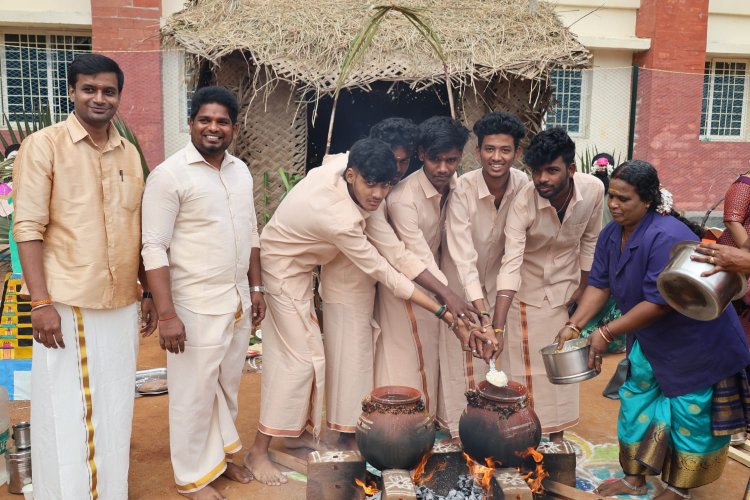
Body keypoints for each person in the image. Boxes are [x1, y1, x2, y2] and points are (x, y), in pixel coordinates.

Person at [244, 138, 491, 485]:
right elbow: (385, 272)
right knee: (301, 359)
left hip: (310, 258)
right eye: (370, 184)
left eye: (386, 185)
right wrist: (445, 313)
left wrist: (448, 294)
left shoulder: (352, 171)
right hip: (281, 265)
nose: (378, 194)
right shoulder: (338, 219)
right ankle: (258, 451)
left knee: (311, 356)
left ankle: (296, 430)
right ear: (350, 176)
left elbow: (397, 252)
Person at [557, 160, 750, 499]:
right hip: (649, 339)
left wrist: (604, 333)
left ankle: (678, 488)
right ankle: (634, 477)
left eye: (624, 199)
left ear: (647, 200)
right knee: (636, 402)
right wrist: (574, 324)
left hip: (696, 342)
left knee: (690, 413)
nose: (614, 205)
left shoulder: (667, 236)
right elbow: (600, 284)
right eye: (611, 197)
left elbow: (659, 302)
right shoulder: (610, 234)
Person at [12, 53, 157, 500]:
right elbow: (27, 228)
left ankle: (108, 491)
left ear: (118, 97)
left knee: (114, 408)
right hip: (67, 304)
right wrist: (40, 303)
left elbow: (136, 229)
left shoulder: (129, 153)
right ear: (71, 91)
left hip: (120, 303)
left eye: (108, 91)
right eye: (89, 89)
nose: (99, 98)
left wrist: (147, 291)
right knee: (71, 410)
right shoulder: (45, 145)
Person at [319, 118, 473, 449]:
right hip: (361, 280)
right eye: (391, 159)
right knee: (362, 357)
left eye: (403, 161)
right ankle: (357, 433)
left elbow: (407, 255)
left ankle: (403, 427)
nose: (396, 168)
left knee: (393, 355)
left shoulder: (398, 188)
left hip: (401, 279)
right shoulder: (367, 186)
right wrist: (447, 296)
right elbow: (397, 253)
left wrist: (449, 297)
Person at [141, 86, 259, 499]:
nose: (213, 127)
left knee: (226, 385)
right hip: (193, 306)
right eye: (205, 120)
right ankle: (191, 478)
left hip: (237, 300)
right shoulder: (169, 175)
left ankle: (220, 461)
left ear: (234, 128)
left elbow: (251, 232)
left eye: (222, 121)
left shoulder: (239, 171)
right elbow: (153, 246)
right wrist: (167, 314)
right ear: (190, 123)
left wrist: (255, 287)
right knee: (192, 395)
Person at [492, 127, 603, 442]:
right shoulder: (522, 202)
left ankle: (557, 441)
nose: (542, 179)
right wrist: (498, 327)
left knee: (562, 372)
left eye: (552, 170)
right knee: (527, 374)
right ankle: (524, 439)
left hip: (566, 294)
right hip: (523, 297)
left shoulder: (594, 189)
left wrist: (581, 295)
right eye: (536, 171)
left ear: (571, 169)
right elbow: (511, 263)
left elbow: (591, 242)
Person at [374, 115, 476, 431]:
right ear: (421, 155)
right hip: (405, 284)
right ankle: (395, 430)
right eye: (435, 159)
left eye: (452, 160)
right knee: (403, 359)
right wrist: (451, 297)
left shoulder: (458, 186)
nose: (443, 168)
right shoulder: (404, 198)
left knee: (428, 356)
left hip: (434, 285)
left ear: (461, 157)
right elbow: (415, 255)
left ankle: (424, 425)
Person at [439, 111, 529, 436]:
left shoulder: (524, 187)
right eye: (489, 149)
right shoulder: (461, 189)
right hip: (461, 284)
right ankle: (457, 431)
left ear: (516, 152)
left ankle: (498, 429)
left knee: (499, 354)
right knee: (460, 356)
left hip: (501, 286)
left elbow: (514, 256)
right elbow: (463, 257)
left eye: (505, 150)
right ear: (478, 152)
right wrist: (483, 317)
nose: (497, 157)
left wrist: (496, 324)